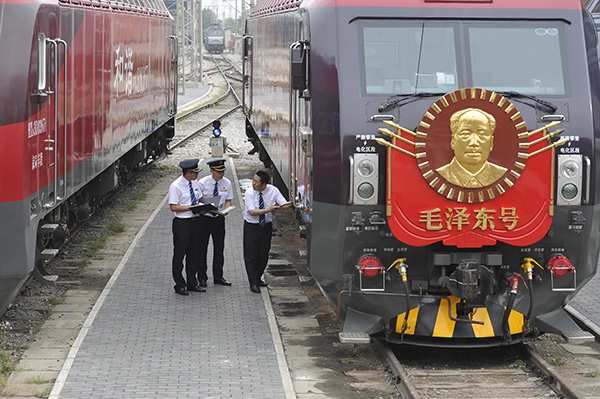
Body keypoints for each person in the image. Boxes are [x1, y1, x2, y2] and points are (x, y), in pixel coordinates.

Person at [243, 170, 292, 293]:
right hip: (251, 227)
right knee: (251, 255)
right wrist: (268, 209)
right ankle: (252, 282)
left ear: (264, 185)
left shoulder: (273, 190)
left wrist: (291, 203)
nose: (253, 183)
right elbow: (252, 212)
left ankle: (258, 277)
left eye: (256, 181)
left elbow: (284, 204)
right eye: (253, 180)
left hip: (266, 227)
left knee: (263, 255)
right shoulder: (249, 193)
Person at [436, 108, 507, 188]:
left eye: (482, 134)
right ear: (453, 141)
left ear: (491, 142)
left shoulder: (502, 174)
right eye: (465, 134)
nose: (474, 143)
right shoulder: (440, 174)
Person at [168, 159, 205, 296]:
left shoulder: (195, 184)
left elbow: (200, 199)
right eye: (195, 173)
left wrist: (207, 206)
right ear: (188, 173)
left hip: (196, 222)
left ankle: (192, 282)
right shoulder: (176, 186)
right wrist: (191, 207)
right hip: (182, 223)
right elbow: (173, 207)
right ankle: (179, 284)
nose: (197, 175)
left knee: (194, 254)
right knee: (180, 254)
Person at [197, 159, 234, 287]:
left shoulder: (227, 183)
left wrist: (226, 210)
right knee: (202, 249)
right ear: (211, 171)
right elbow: (197, 201)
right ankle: (202, 277)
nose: (221, 174)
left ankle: (218, 276)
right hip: (204, 219)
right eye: (219, 172)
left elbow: (228, 200)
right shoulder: (202, 183)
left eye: (223, 171)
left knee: (219, 249)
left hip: (218, 219)